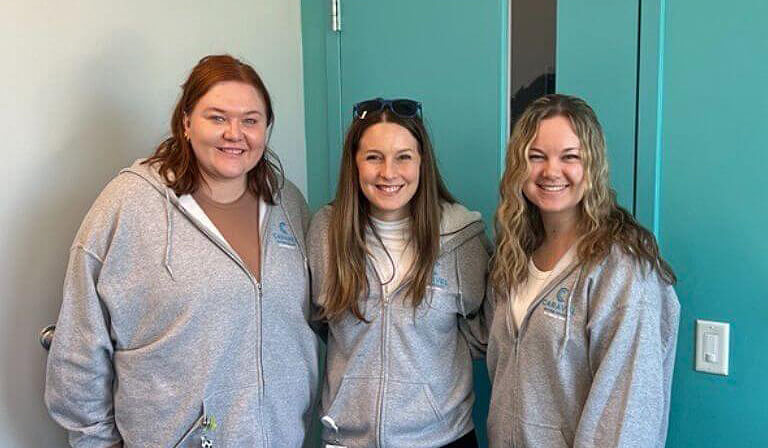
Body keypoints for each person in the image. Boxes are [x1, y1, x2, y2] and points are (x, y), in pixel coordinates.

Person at [44, 54, 319, 447]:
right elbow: (78, 345)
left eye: (250, 120)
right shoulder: (130, 204)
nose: (234, 133)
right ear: (187, 122)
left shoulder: (287, 204)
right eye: (218, 117)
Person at [470, 93, 680, 447]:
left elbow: (625, 420)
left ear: (592, 165)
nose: (551, 171)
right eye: (536, 157)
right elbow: (480, 338)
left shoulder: (623, 271)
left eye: (570, 157)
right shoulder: (515, 254)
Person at [307, 98, 491, 448]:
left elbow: (480, 331)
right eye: (373, 157)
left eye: (403, 156)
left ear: (422, 162)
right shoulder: (325, 232)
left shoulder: (462, 235)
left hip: (443, 438)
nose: (389, 173)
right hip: (347, 440)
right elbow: (320, 319)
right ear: (354, 163)